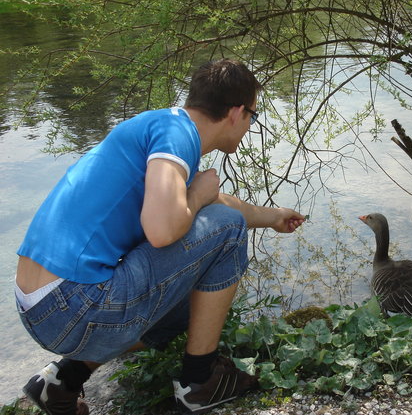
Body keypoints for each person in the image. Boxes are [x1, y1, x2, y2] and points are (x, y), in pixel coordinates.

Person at [15, 58, 306, 415]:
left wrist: (272, 216)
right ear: (236, 112)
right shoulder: (176, 136)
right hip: (74, 305)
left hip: (42, 308)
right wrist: (199, 194)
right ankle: (199, 383)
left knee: (198, 291)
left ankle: (60, 381)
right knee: (226, 227)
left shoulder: (161, 127)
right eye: (253, 117)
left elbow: (205, 208)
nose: (249, 126)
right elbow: (165, 228)